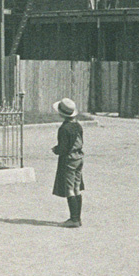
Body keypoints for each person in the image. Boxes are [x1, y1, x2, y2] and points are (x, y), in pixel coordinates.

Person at [51, 97, 84, 228]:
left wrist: (56, 149)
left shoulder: (64, 129)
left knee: (69, 188)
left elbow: (63, 148)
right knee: (77, 187)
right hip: (79, 157)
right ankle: (78, 217)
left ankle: (74, 219)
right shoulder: (78, 125)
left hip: (69, 159)